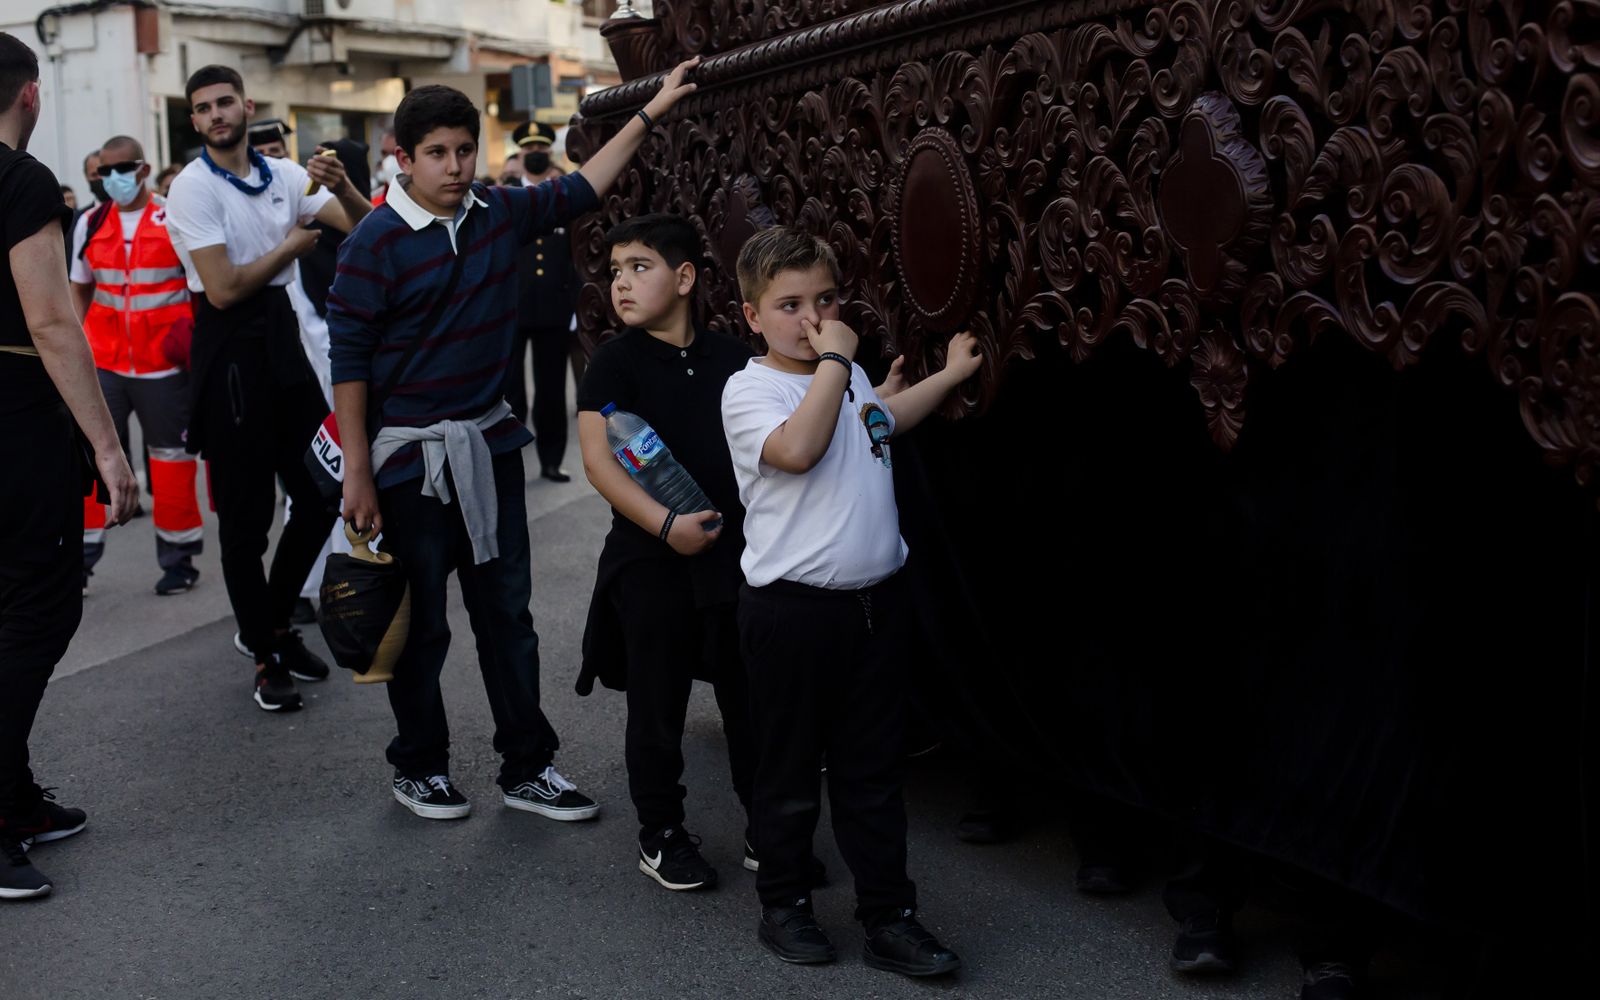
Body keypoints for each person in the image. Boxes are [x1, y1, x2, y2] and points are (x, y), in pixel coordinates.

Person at [327, 58, 701, 823]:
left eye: (465, 150)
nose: (457, 166)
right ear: (403, 156)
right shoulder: (373, 242)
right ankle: (419, 765)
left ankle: (528, 766)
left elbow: (585, 185)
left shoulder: (498, 213)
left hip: (489, 448)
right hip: (409, 463)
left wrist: (653, 108)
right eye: (438, 152)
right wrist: (357, 473)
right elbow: (350, 363)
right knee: (422, 623)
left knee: (507, 616)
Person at [720, 226, 979, 976]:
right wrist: (837, 358)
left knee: (872, 775)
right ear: (751, 316)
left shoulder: (851, 376)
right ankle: (785, 904)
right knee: (790, 771)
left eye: (826, 299)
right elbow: (798, 450)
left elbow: (880, 425)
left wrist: (943, 377)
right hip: (793, 616)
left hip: (874, 608)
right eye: (790, 304)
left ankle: (890, 917)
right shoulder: (751, 389)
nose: (813, 317)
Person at [162, 63, 371, 712]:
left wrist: (348, 189)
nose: (217, 114)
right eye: (204, 108)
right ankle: (264, 651)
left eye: (226, 102)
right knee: (246, 524)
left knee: (320, 490)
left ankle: (277, 623)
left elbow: (365, 232)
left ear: (247, 106)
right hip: (227, 351)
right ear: (194, 121)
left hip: (282, 344)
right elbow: (221, 288)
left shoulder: (284, 174)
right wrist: (292, 247)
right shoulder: (192, 189)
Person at [574, 214, 757, 890]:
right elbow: (600, 464)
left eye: (639, 268)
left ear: (684, 278)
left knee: (750, 700)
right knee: (658, 705)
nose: (621, 283)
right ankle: (662, 832)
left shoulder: (734, 357)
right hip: (650, 562)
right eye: (615, 271)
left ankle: (768, 825)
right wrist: (664, 526)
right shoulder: (614, 361)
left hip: (733, 559)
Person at [0, 29, 138, 900]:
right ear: (30, 95)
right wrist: (108, 446)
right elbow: (54, 323)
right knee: (38, 614)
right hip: (15, 422)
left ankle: (13, 794)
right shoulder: (18, 182)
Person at [68, 135, 204, 597]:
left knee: (170, 461)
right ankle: (79, 563)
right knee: (89, 460)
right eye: (105, 172)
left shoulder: (174, 217)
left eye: (122, 169)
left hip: (162, 366)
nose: (113, 179)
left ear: (143, 170)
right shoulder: (90, 222)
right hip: (104, 362)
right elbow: (78, 290)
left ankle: (179, 560)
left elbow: (198, 286)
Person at [505, 120, 577, 481]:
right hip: (512, 310)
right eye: (528, 150)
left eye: (541, 150)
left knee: (550, 390)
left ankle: (551, 460)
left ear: (550, 154)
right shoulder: (504, 198)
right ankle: (511, 462)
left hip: (554, 308)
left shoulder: (562, 198)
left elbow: (575, 257)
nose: (534, 155)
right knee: (512, 392)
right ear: (519, 155)